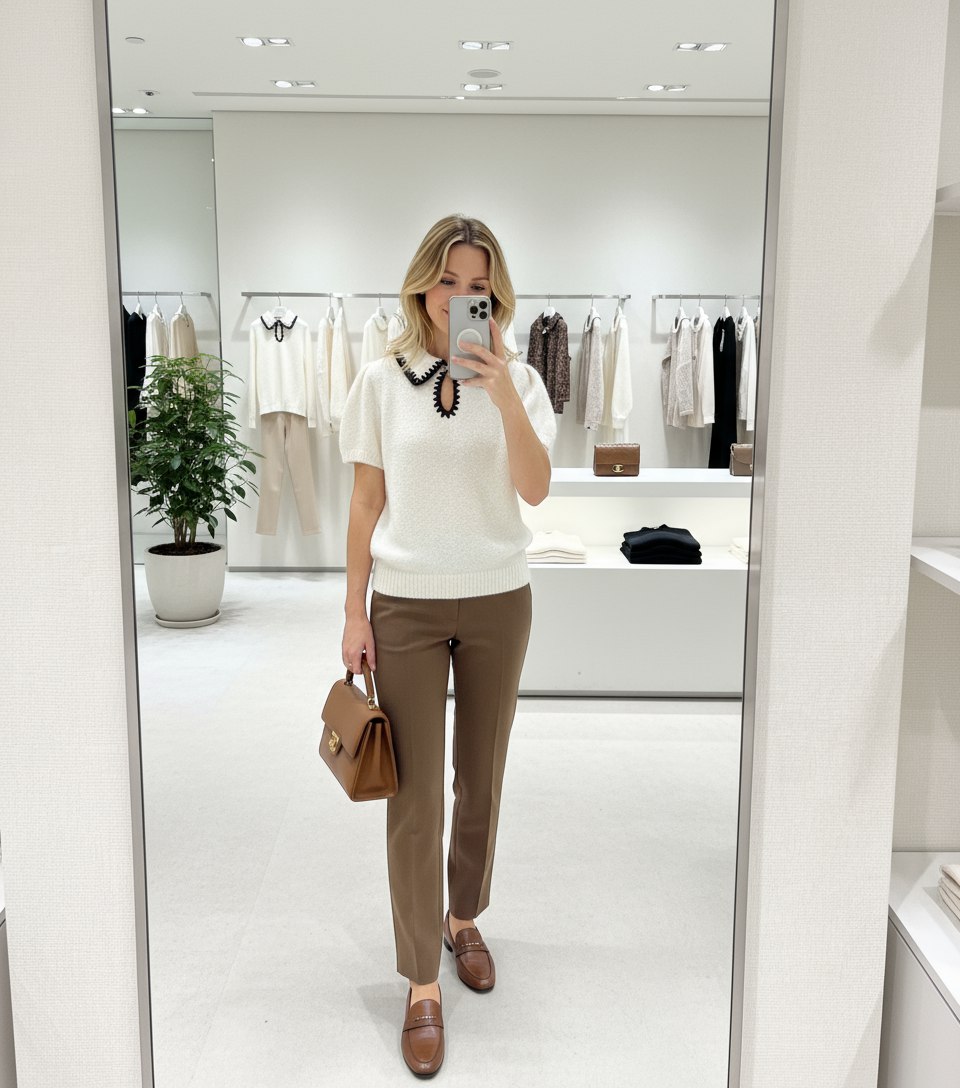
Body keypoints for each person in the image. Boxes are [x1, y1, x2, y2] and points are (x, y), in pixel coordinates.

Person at [338, 214, 556, 1077]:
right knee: (415, 794)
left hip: (501, 596)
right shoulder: (379, 381)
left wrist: (503, 395)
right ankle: (421, 979)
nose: (462, 297)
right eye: (449, 281)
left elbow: (536, 491)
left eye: (479, 286)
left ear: (495, 297)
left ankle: (463, 917)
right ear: (422, 284)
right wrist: (353, 613)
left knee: (481, 778)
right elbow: (365, 504)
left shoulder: (522, 380)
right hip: (406, 605)